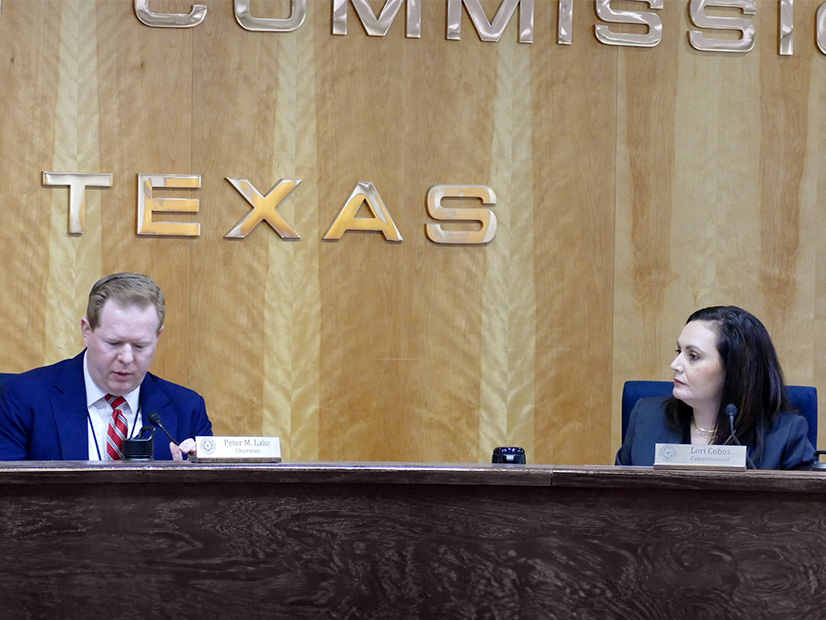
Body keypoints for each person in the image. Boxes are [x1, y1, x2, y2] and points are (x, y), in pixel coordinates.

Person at [0, 272, 212, 461]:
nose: (127, 357)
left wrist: (189, 482)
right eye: (113, 343)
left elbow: (214, 500)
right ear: (87, 331)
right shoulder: (23, 398)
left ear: (158, 337)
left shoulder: (187, 408)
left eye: (140, 345)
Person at [616, 305, 814, 469]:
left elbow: (802, 512)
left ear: (735, 370)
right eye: (679, 351)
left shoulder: (784, 436)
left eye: (693, 356)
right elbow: (615, 501)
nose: (675, 365)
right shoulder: (646, 418)